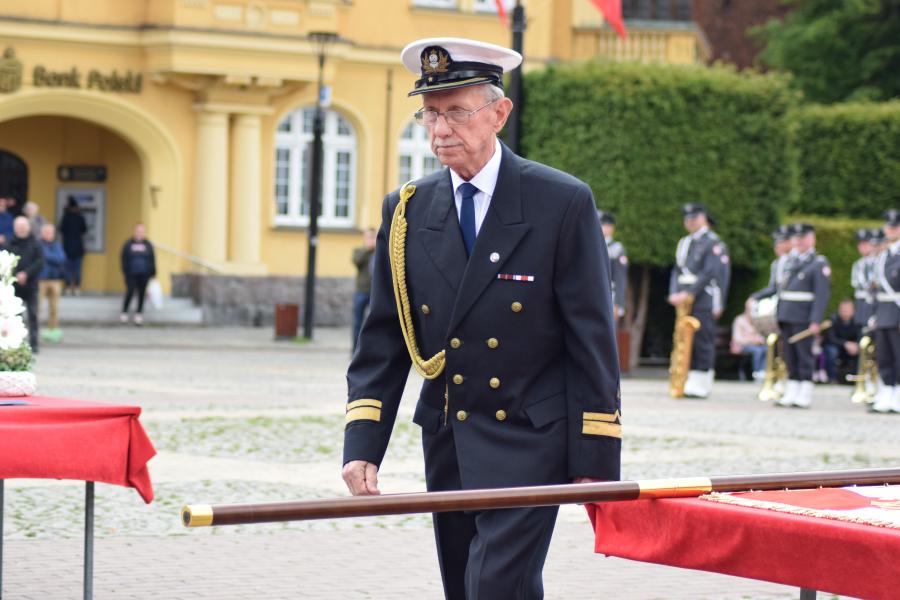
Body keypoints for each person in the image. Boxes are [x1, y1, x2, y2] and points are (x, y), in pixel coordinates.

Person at [343, 38, 620, 600]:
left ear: (499, 112)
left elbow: (591, 337)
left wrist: (596, 457)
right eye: (430, 113)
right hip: (450, 435)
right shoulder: (407, 209)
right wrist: (362, 441)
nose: (441, 129)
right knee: (464, 586)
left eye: (457, 112)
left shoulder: (559, 201)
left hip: (530, 437)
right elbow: (383, 338)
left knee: (496, 585)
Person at [668, 203, 727, 398]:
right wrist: (674, 292)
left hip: (703, 297)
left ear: (703, 219)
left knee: (702, 339)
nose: (690, 222)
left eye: (694, 218)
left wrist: (689, 293)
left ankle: (702, 380)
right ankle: (687, 378)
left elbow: (709, 273)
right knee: (685, 340)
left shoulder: (713, 242)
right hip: (685, 298)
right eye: (687, 218)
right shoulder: (684, 242)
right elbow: (677, 270)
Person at [770, 223, 831, 408]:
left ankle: (804, 390)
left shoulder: (818, 263)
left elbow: (822, 294)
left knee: (804, 354)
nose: (800, 242)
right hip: (787, 314)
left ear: (812, 239)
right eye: (797, 238)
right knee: (790, 355)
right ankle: (792, 388)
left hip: (804, 316)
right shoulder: (789, 261)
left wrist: (815, 320)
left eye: (804, 238)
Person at [871, 210, 900, 413]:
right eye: (888, 227)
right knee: (885, 356)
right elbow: (876, 289)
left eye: (894, 227)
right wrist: (874, 313)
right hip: (883, 312)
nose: (890, 230)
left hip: (897, 311)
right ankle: (887, 392)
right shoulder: (884, 256)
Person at [7, 217, 44, 352]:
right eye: (18, 226)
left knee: (33, 314)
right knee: (16, 316)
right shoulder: (9, 243)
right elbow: (5, 261)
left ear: (28, 227)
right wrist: (17, 274)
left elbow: (40, 262)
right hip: (14, 286)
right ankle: (17, 343)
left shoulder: (36, 244)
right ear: (14, 228)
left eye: (23, 226)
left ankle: (34, 344)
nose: (21, 228)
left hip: (31, 285)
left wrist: (26, 274)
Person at [120, 223, 156, 325]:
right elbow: (123, 258)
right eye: (138, 230)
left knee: (141, 294)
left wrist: (153, 273)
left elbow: (152, 259)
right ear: (135, 231)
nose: (140, 233)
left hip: (144, 274)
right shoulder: (128, 244)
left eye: (142, 231)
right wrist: (125, 271)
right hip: (131, 274)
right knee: (130, 291)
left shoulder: (148, 245)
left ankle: (139, 314)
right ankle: (124, 312)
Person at [37, 223, 67, 342]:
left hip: (55, 279)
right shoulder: (38, 244)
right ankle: (36, 331)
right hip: (41, 279)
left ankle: (53, 330)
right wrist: (54, 258)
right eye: (47, 232)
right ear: (42, 233)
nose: (49, 234)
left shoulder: (57, 244)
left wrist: (50, 258)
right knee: (38, 308)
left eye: (51, 232)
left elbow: (62, 259)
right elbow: (47, 257)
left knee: (54, 308)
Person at [350, 227, 376, 352]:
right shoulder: (359, 250)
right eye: (368, 237)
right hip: (361, 291)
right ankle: (355, 350)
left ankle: (369, 350)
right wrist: (367, 249)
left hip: (374, 293)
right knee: (357, 322)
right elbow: (357, 261)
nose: (371, 240)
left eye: (373, 237)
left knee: (373, 323)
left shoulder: (379, 251)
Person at [822, 299, 860, 383]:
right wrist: (845, 344)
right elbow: (831, 338)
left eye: (847, 310)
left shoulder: (858, 321)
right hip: (836, 346)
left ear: (853, 311)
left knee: (862, 352)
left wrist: (856, 345)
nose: (845, 312)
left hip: (851, 348)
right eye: (843, 310)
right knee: (832, 351)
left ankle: (857, 379)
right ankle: (832, 379)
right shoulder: (832, 320)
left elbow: (860, 336)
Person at [598, 210, 627, 321]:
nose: (603, 228)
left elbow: (620, 278)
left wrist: (618, 303)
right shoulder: (593, 246)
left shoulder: (617, 249)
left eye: (605, 225)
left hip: (609, 295)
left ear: (611, 228)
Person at [731, 298, 767, 381]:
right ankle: (756, 373)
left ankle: (762, 372)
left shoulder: (755, 321)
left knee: (766, 349)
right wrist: (752, 340)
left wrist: (760, 339)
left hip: (755, 345)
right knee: (757, 351)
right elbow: (737, 338)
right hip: (742, 346)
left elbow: (759, 335)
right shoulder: (739, 320)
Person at [58, 197, 87, 295]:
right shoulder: (80, 217)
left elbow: (61, 229)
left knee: (67, 269)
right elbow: (84, 230)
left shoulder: (65, 217)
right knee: (77, 270)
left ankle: (67, 287)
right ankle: (77, 288)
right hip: (78, 248)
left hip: (67, 248)